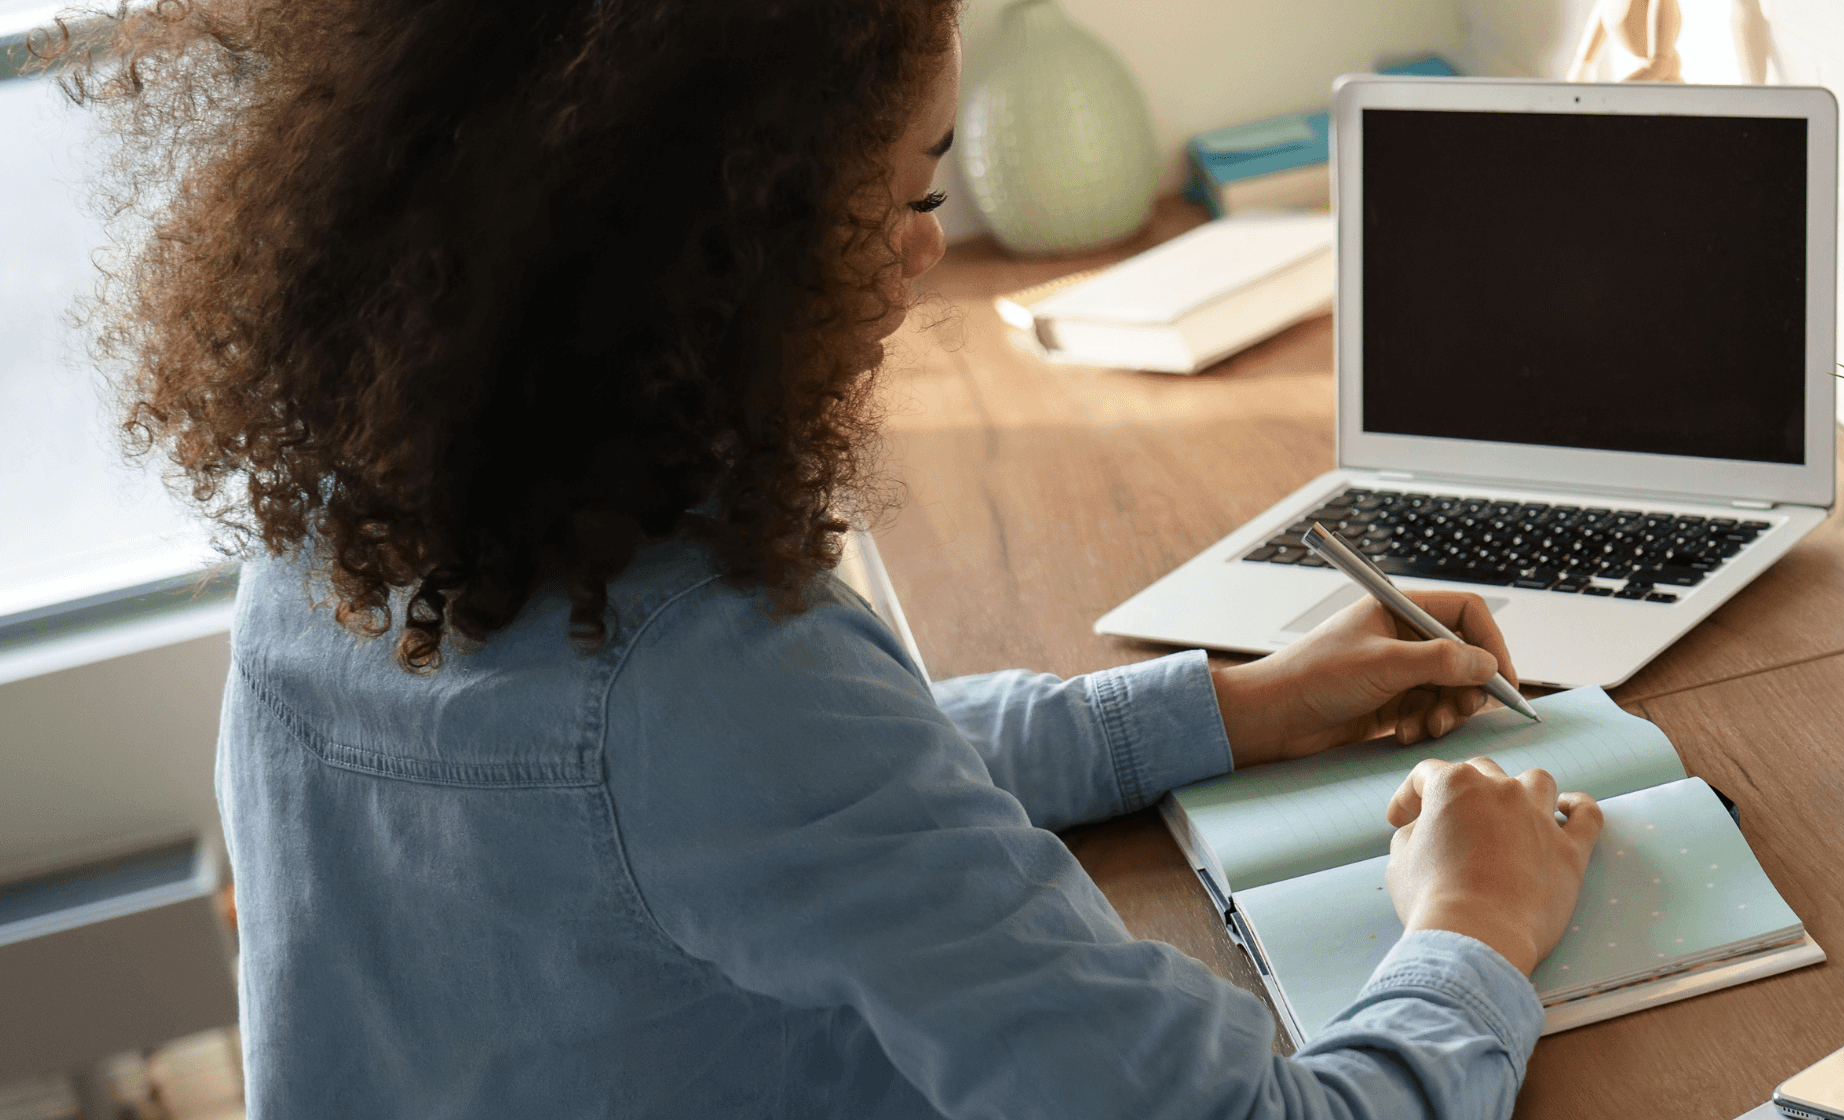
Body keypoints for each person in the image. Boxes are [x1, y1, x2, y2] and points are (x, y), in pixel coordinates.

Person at [58, 0, 1606, 1115]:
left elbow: (806, 800)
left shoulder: (344, 524)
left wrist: (1230, 706)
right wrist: (1474, 921)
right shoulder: (711, 674)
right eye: (911, 191)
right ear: (717, 242)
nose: (926, 252)